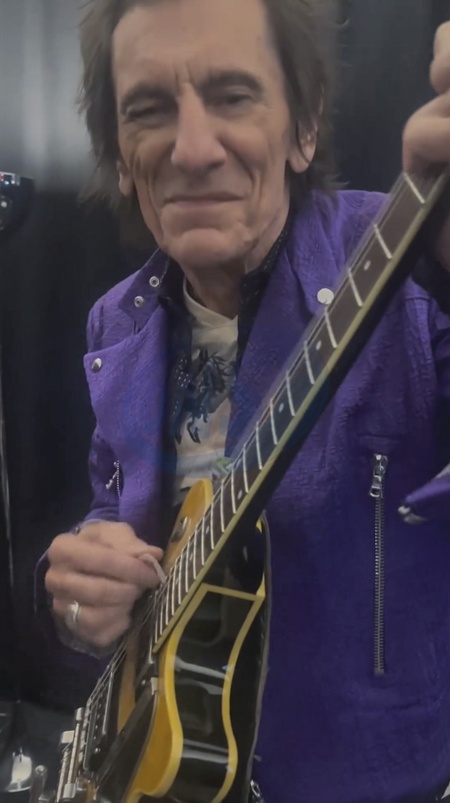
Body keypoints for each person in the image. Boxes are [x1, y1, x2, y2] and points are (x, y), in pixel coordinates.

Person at [35, 0, 450, 800]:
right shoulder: (114, 321)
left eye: (232, 95)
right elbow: (114, 502)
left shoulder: (409, 270)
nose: (192, 149)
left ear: (304, 127)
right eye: (149, 109)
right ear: (120, 156)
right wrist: (86, 573)